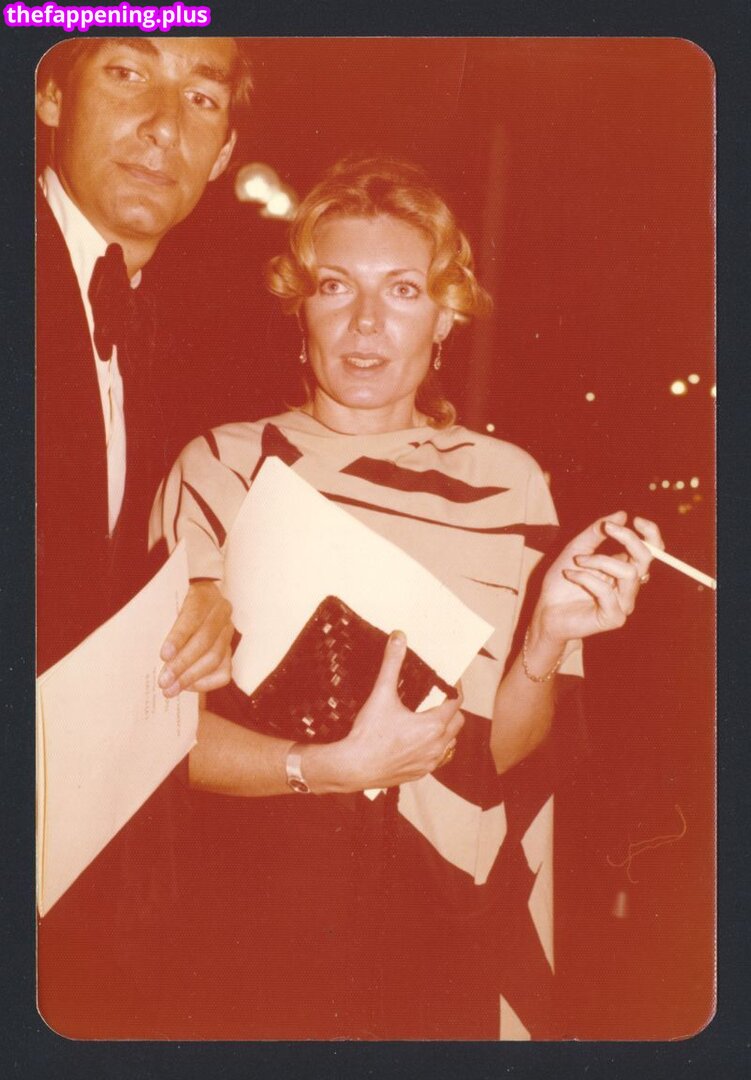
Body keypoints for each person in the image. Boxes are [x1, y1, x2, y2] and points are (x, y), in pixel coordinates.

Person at [149, 157, 664, 1039]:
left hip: (436, 925)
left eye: (402, 290)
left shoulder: (507, 485)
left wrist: (542, 643)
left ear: (445, 315)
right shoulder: (223, 467)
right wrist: (324, 767)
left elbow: (494, 761)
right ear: (299, 308)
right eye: (334, 286)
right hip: (255, 911)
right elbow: (151, 739)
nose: (365, 322)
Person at [35, 37, 253, 1036]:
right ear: (49, 95)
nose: (164, 125)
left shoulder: (169, 326)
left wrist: (194, 592)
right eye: (127, 74)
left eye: (201, 97)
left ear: (224, 153)